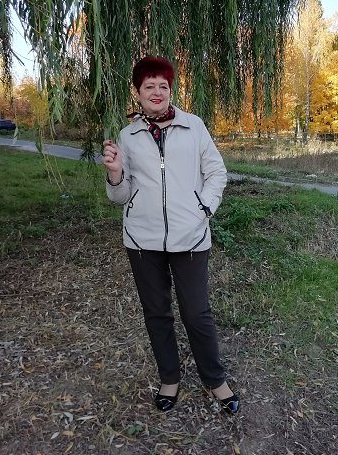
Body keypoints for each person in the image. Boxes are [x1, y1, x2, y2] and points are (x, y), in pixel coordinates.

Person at [102, 56, 239, 415]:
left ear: (170, 89)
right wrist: (115, 173)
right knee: (157, 312)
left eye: (163, 85)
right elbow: (120, 196)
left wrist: (203, 209)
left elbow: (217, 173)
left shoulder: (194, 127)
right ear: (137, 92)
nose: (157, 92)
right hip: (141, 240)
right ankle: (169, 378)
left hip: (190, 237)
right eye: (149, 86)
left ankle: (215, 380)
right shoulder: (128, 136)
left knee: (197, 313)